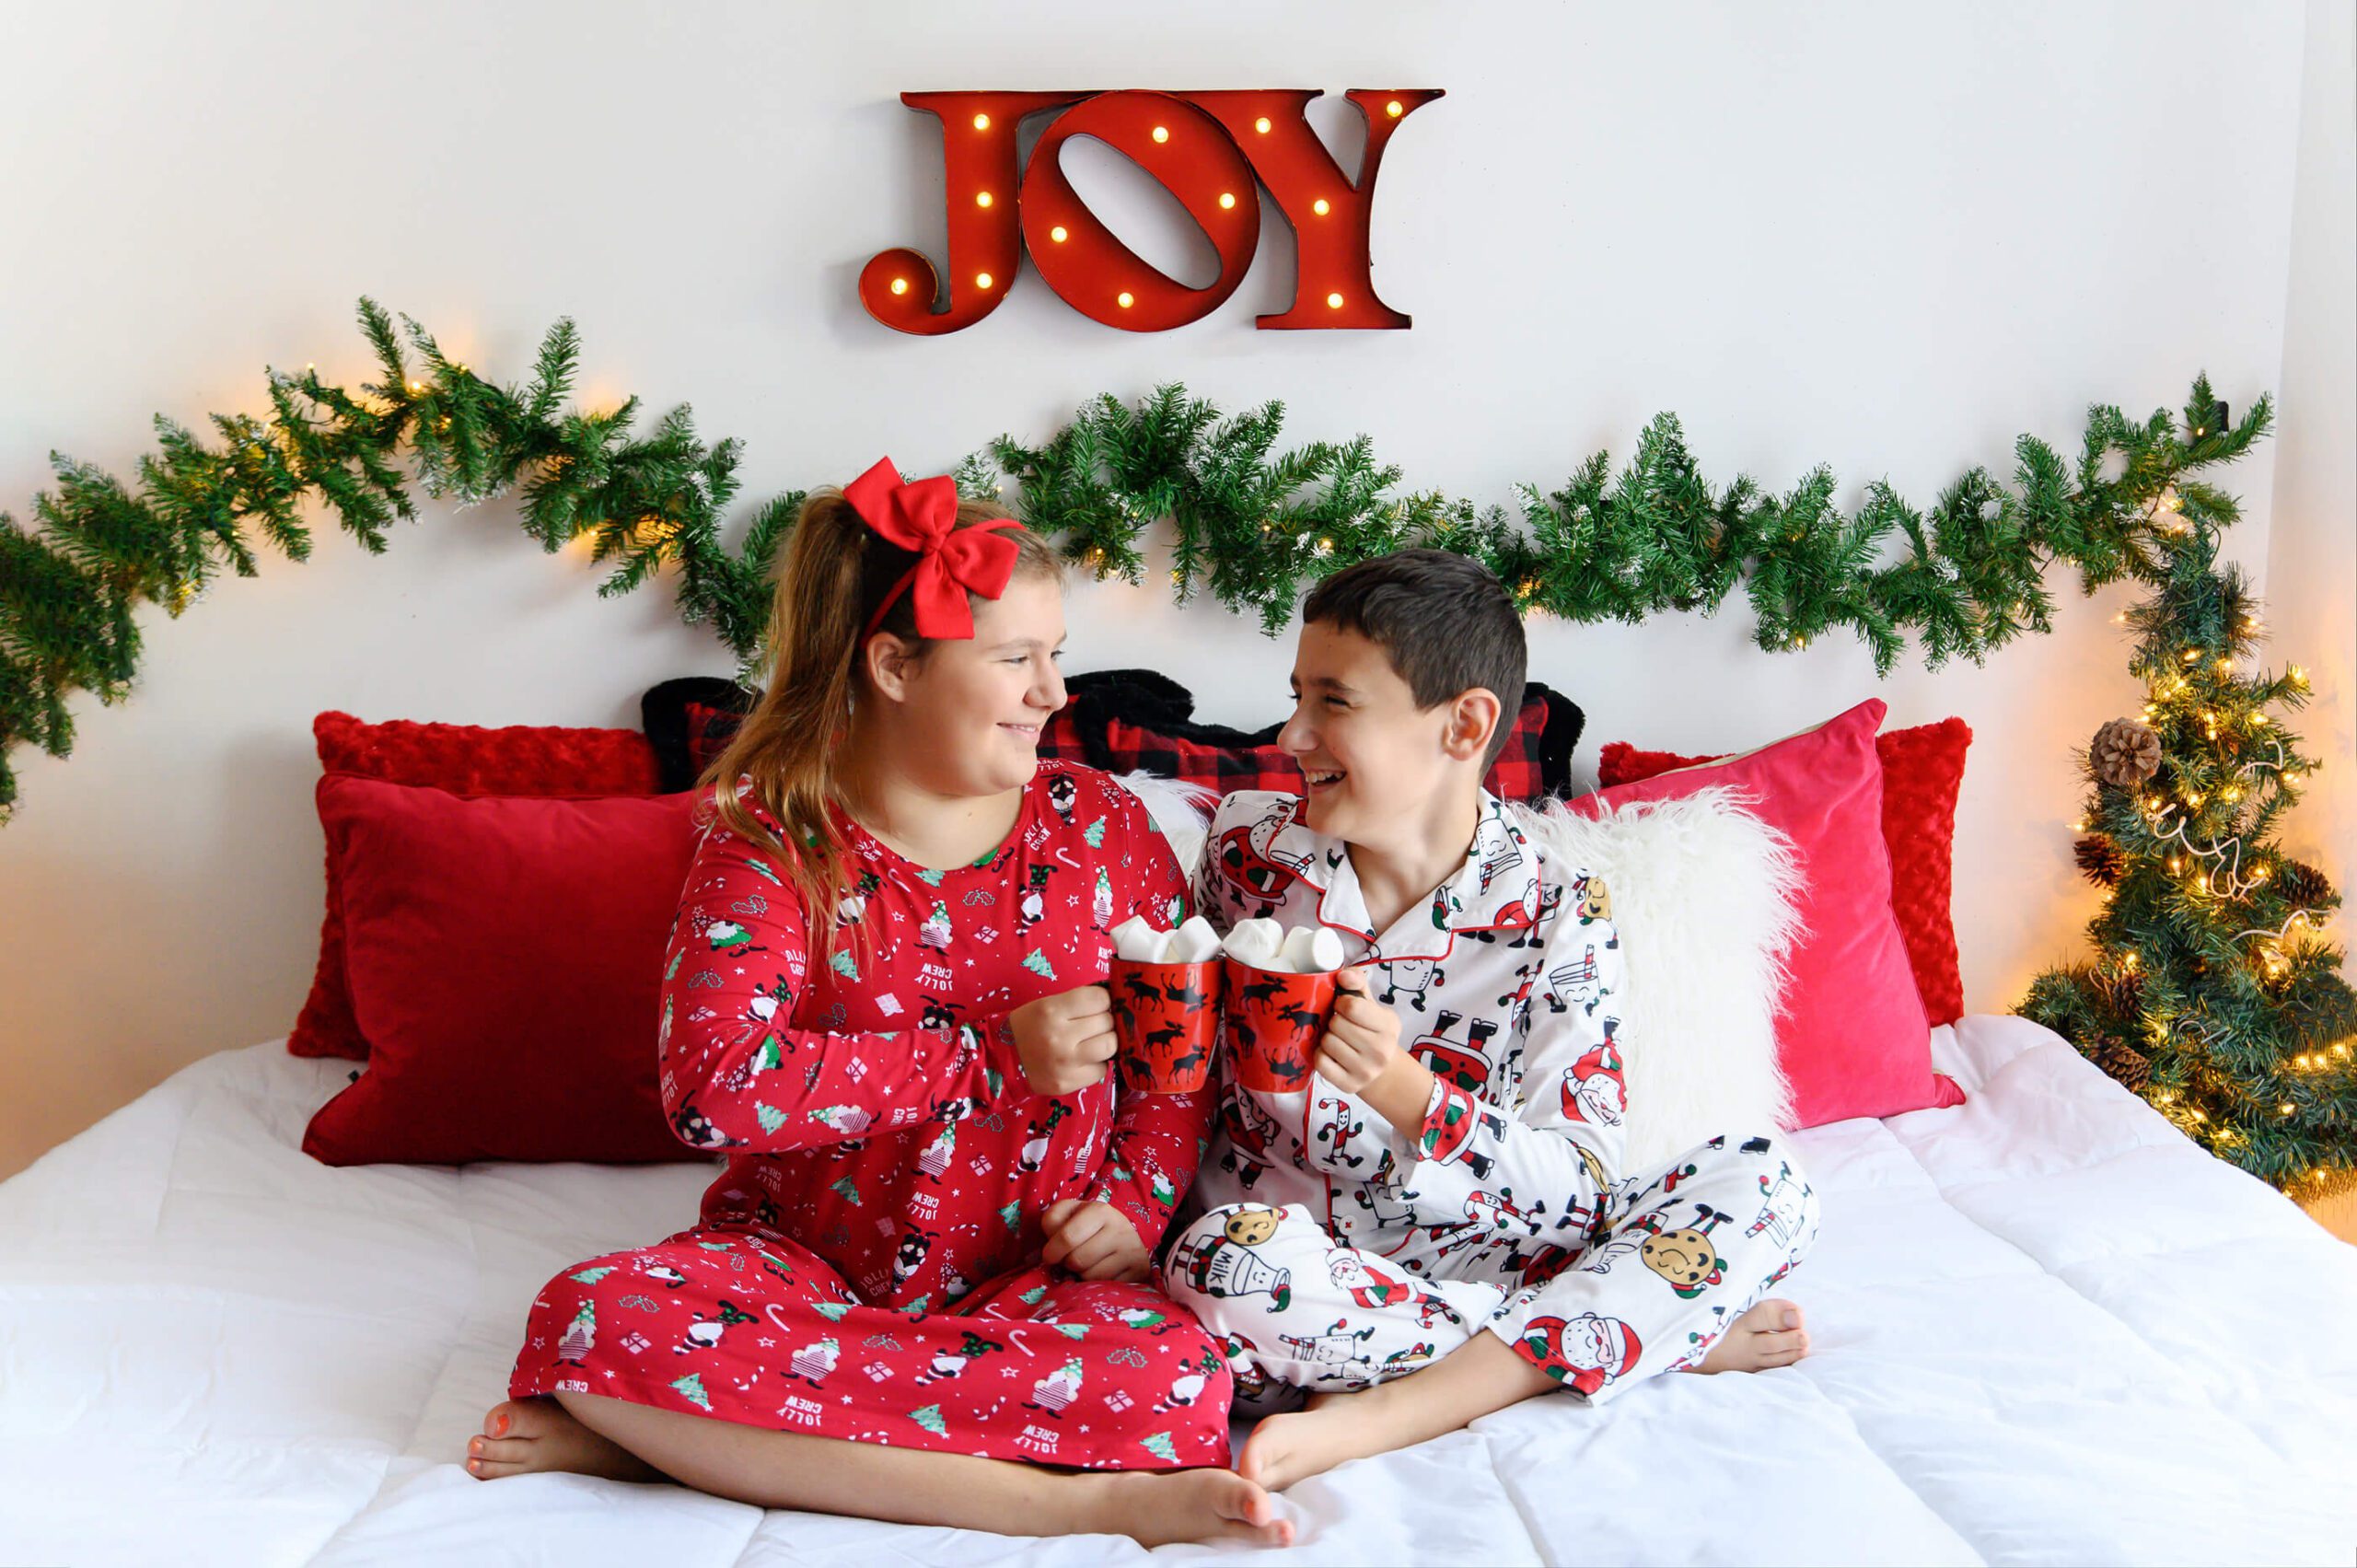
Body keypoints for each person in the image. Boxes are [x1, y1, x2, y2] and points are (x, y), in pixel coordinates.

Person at [472, 458, 1292, 1550]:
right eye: (1016, 659)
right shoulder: (770, 847)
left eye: (1057, 655)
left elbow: (1170, 1063)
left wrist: (1135, 1209)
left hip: (1035, 1279)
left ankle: (684, 1440)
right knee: (592, 1313)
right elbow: (713, 1090)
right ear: (895, 663)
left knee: (1178, 1375)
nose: (1054, 692)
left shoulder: (1104, 829)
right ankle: (1065, 1500)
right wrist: (989, 1056)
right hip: (800, 1267)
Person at [1161, 547, 1820, 1493]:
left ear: (1463, 724)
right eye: (1295, 696)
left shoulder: (1560, 910)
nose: (1292, 733)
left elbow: (1582, 1195)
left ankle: (1400, 1405)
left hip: (1486, 1243)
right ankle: (1620, 1331)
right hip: (1296, 1269)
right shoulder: (1245, 854)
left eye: (1332, 702)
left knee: (1772, 1182)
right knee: (1218, 1261)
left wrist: (1406, 1092)